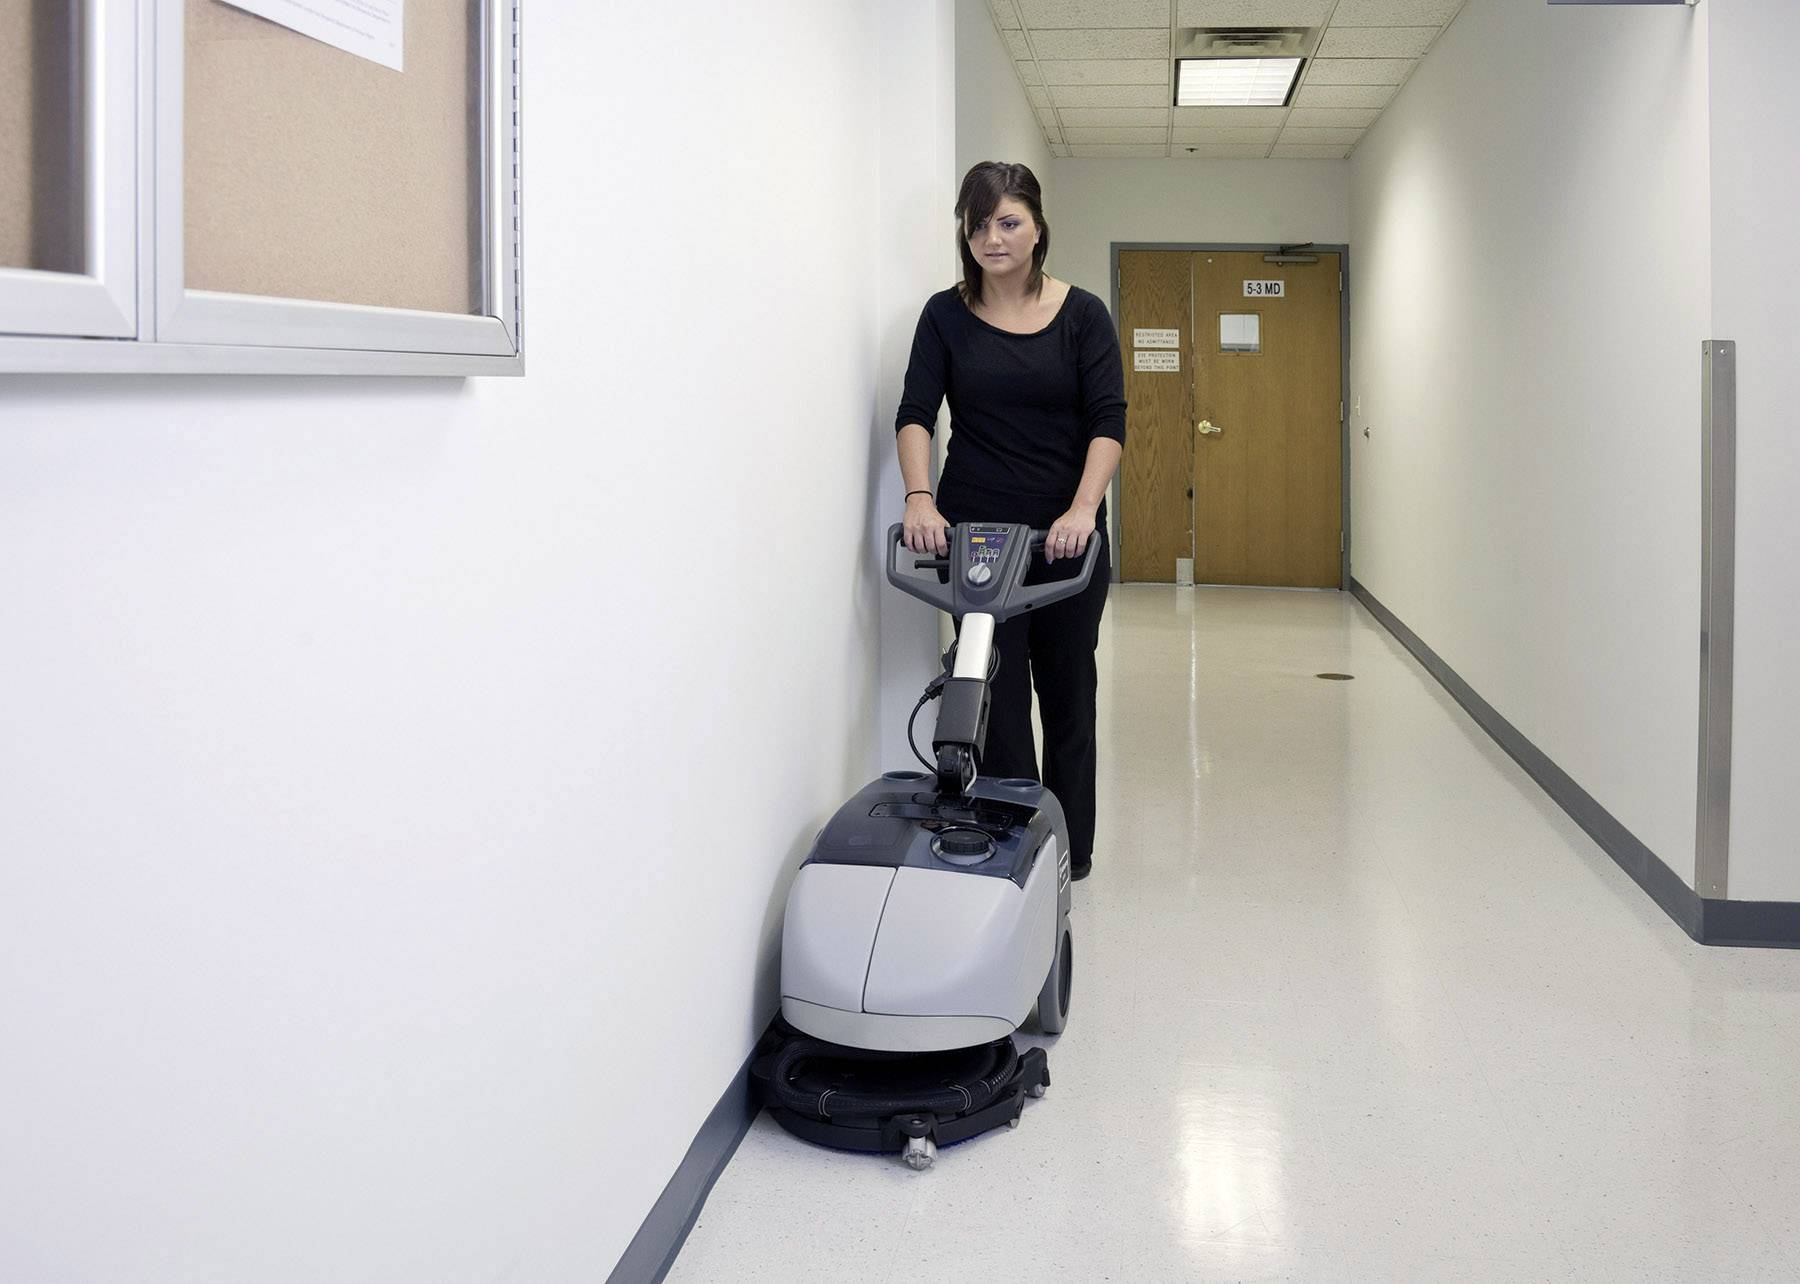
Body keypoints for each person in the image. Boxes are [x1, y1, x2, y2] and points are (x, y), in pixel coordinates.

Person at [893, 160, 1125, 882]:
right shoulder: (944, 315)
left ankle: (1069, 850)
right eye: (978, 222)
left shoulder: (1082, 314)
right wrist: (920, 499)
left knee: (1066, 689)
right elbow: (914, 414)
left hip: (1066, 541)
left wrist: (1083, 509)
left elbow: (1107, 421)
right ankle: (1014, 838)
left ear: (1037, 228)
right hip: (979, 541)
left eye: (1007, 221)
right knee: (991, 690)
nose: (991, 237)